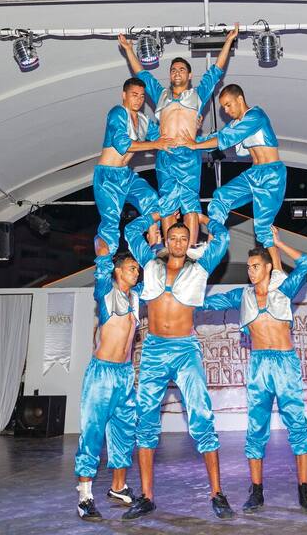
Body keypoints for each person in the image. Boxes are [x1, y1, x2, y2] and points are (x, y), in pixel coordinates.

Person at [119, 211, 233, 520]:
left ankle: (217, 494)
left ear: (189, 241)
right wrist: (154, 216)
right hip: (154, 349)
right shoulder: (150, 264)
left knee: (202, 418)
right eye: (174, 238)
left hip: (185, 350)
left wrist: (202, 218)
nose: (179, 243)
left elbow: (223, 238)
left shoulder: (200, 267)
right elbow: (130, 232)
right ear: (167, 241)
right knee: (145, 422)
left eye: (184, 238)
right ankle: (146, 497)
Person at [198, 226, 307, 514]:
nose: (250, 271)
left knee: (297, 425)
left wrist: (279, 243)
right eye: (249, 267)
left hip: (285, 363)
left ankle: (304, 491)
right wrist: (180, 295)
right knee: (255, 429)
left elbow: (305, 264)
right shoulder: (242, 296)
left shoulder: (283, 290)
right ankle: (256, 491)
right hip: (259, 364)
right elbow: (205, 303)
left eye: (255, 266)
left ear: (267, 268)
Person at [119, 25, 237, 249]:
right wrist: (128, 50)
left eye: (182, 69)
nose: (177, 72)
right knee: (167, 205)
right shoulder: (161, 94)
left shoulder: (197, 94)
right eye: (173, 70)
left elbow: (216, 72)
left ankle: (190, 249)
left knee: (190, 204)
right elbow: (142, 74)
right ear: (170, 74)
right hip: (165, 154)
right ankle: (169, 249)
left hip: (188, 155)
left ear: (189, 75)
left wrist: (228, 42)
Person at [73, 248, 144, 521]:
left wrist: (153, 240)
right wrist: (105, 252)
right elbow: (102, 263)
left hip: (124, 375)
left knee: (124, 432)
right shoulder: (105, 291)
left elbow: (156, 269)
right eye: (131, 268)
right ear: (118, 270)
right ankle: (84, 497)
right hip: (101, 374)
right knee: (92, 433)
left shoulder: (135, 297)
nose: (136, 272)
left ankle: (118, 487)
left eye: (137, 268)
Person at [182, 83, 284, 265]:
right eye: (223, 107)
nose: (226, 111)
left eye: (228, 105)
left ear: (240, 99)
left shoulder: (256, 116)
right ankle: (211, 246)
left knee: (262, 227)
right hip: (254, 174)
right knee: (220, 197)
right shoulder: (235, 124)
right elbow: (215, 138)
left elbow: (226, 139)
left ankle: (277, 270)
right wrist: (192, 139)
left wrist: (195, 145)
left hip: (271, 175)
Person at [93, 77, 171, 254]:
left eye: (142, 96)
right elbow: (123, 144)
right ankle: (104, 266)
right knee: (110, 227)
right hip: (107, 177)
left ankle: (154, 244)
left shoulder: (143, 120)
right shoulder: (117, 113)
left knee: (152, 199)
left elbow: (164, 137)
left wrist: (190, 126)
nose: (139, 99)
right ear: (124, 95)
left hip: (126, 175)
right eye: (134, 95)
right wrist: (155, 144)